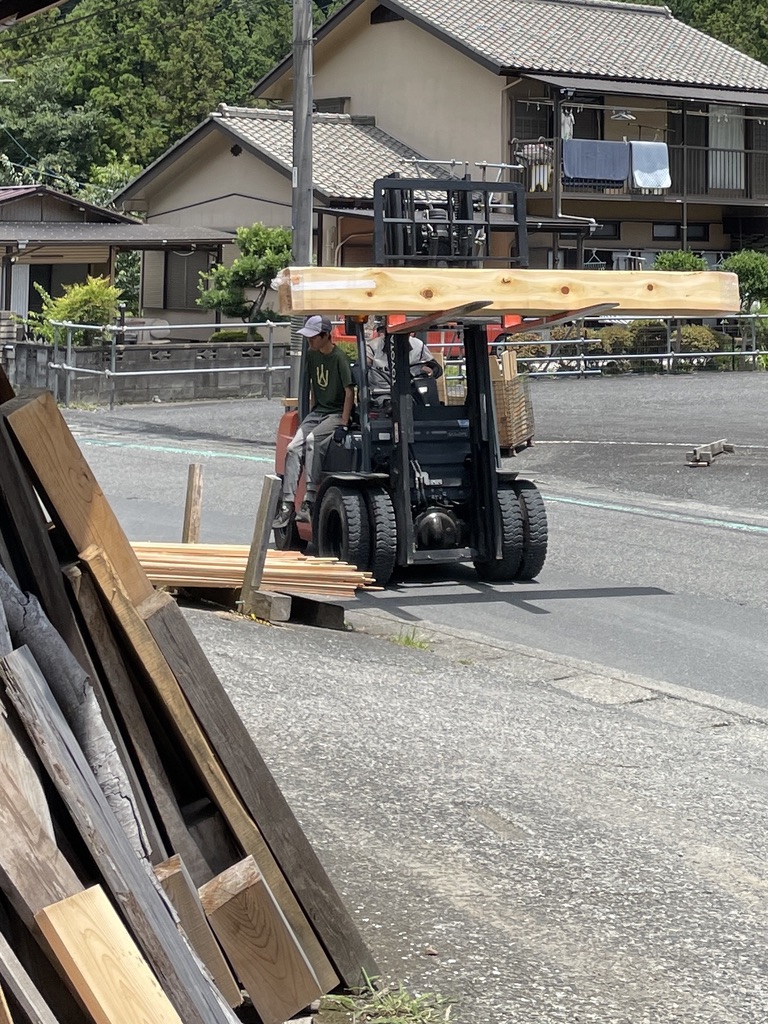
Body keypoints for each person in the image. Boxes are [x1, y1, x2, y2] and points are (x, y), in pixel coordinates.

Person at [274, 315, 354, 527]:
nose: (310, 341)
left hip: (335, 413)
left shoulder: (339, 358)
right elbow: (312, 388)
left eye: (314, 337)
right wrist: (309, 414)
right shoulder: (311, 355)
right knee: (292, 448)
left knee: (311, 441)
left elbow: (349, 391)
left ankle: (309, 500)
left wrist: (344, 423)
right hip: (318, 412)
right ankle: (287, 504)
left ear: (326, 335)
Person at [366, 327, 443, 393]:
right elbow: (360, 369)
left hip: (413, 391)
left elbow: (436, 368)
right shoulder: (374, 346)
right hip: (382, 392)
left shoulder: (418, 345)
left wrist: (431, 371)